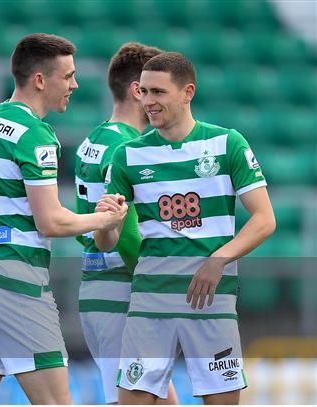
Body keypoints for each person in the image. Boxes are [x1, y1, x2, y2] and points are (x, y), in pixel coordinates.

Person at [0, 33, 128, 405]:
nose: (75, 85)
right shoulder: (36, 134)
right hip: (17, 284)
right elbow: (51, 222)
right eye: (68, 76)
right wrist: (104, 220)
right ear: (40, 80)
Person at [94, 52, 276, 405]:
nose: (148, 101)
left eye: (159, 92)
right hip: (150, 300)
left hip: (210, 299)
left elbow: (265, 219)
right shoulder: (127, 155)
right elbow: (107, 242)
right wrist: (106, 223)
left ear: (187, 92)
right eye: (143, 92)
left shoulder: (227, 144)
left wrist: (217, 260)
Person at [75, 42, 178, 405]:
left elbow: (86, 226)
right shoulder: (130, 149)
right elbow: (129, 235)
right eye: (155, 89)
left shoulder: (92, 141)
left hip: (98, 287)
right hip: (122, 294)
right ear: (138, 90)